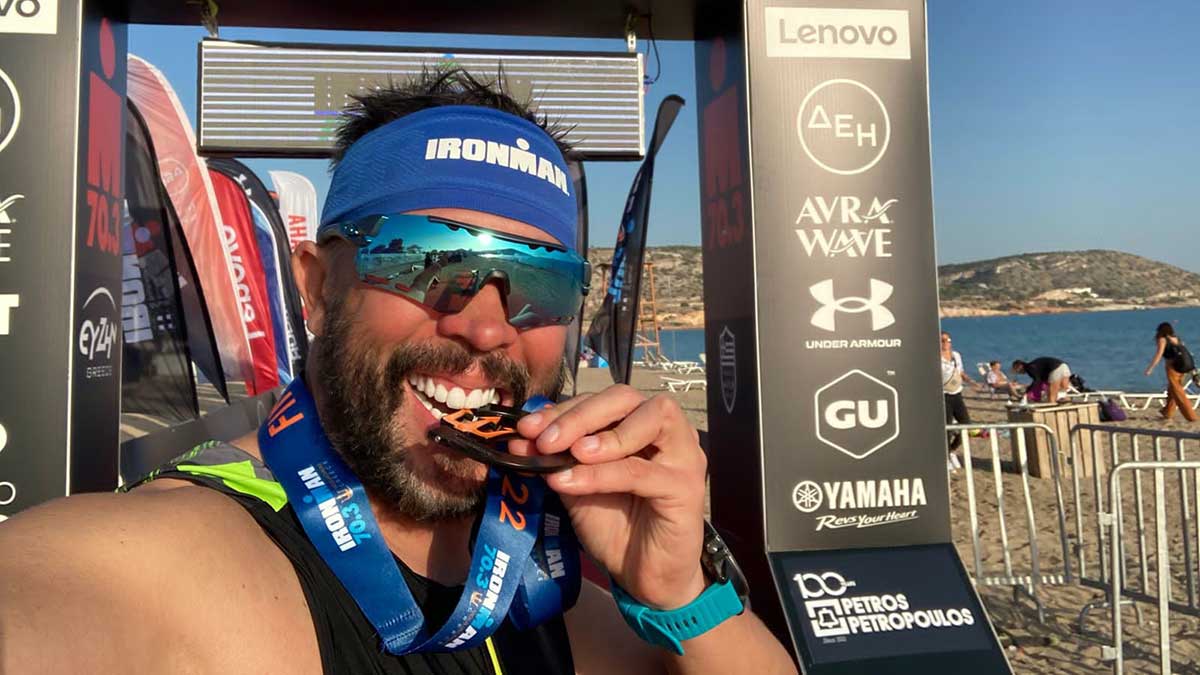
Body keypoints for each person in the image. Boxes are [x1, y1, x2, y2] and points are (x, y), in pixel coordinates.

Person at [0, 71, 796, 674]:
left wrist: (682, 594)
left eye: (539, 281)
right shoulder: (160, 569)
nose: (487, 327)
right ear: (319, 286)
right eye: (427, 260)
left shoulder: (549, 589)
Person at [1143, 321, 1198, 422]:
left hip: (1173, 367)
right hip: (1184, 367)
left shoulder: (1162, 339)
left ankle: (1192, 417)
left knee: (1178, 392)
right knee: (1172, 391)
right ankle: (1167, 413)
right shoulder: (1176, 338)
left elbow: (1159, 354)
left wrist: (1150, 368)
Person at [941, 331, 978, 454]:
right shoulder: (934, 357)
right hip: (943, 395)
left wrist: (971, 381)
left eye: (947, 340)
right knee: (947, 428)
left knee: (966, 426)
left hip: (957, 393)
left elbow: (960, 371)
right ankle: (946, 454)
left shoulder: (956, 355)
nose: (945, 343)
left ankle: (951, 449)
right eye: (942, 340)